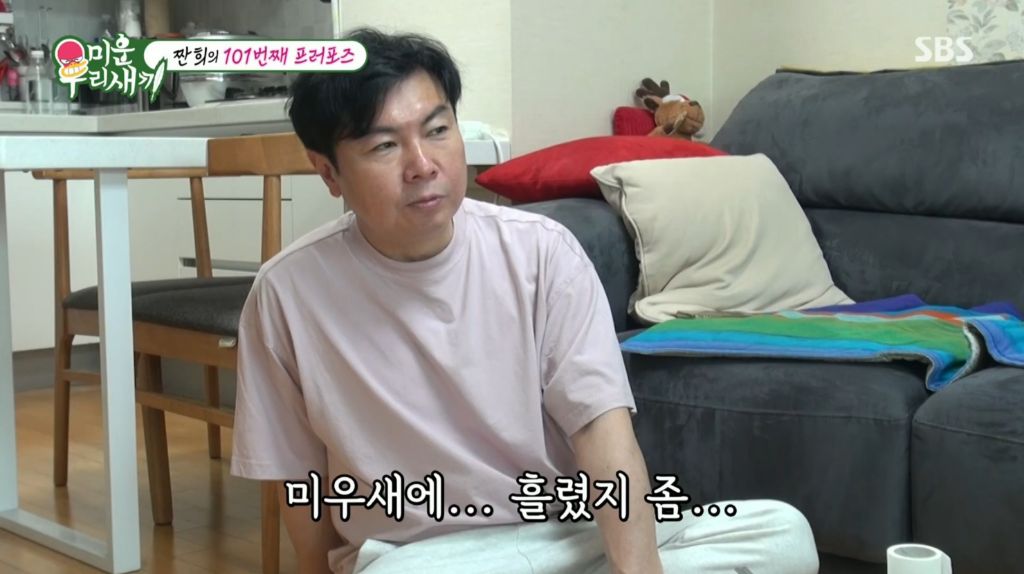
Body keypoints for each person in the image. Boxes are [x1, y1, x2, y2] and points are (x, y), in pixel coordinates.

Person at [230, 27, 820, 574]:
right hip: (422, 557)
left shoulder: (541, 252)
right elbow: (298, 479)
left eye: (437, 130)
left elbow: (603, 436)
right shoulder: (288, 293)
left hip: (563, 534)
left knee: (781, 535)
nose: (423, 165)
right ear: (328, 172)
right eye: (384, 146)